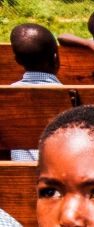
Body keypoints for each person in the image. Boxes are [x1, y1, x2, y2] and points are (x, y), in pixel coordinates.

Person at [9, 23, 61, 162]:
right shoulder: (70, 96)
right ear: (56, 58)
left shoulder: (7, 95)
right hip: (59, 177)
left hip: (17, 175)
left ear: (17, 60)